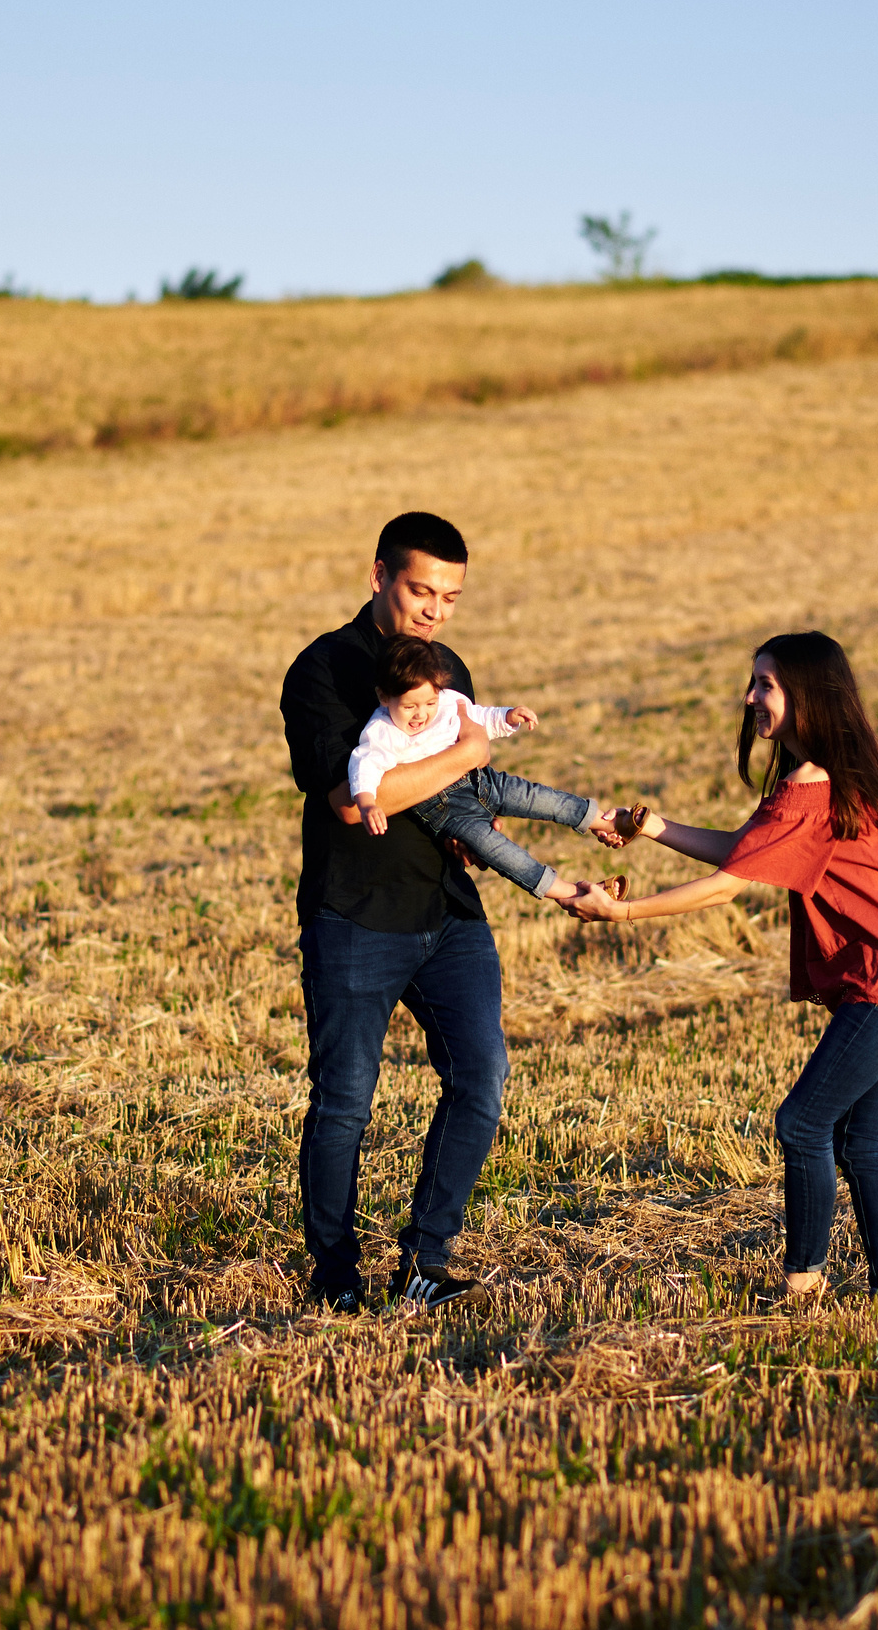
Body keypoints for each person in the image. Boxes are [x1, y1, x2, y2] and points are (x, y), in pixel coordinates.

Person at [562, 632, 878, 1308]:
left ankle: (802, 1285)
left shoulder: (809, 786)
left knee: (803, 1125)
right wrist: (658, 828)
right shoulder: (848, 770)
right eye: (753, 681)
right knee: (860, 1140)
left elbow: (730, 882)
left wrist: (624, 915)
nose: (750, 696)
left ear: (806, 694)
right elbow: (751, 850)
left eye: (766, 684)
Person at [282, 512, 609, 1314]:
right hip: (355, 914)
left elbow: (461, 794)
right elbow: (355, 802)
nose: (435, 610)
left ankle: (425, 1260)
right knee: (345, 1100)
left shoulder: (447, 664)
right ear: (378, 576)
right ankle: (335, 1275)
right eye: (421, 589)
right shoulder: (321, 670)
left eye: (451, 596)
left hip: (450, 913)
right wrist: (466, 756)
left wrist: (504, 836)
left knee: (483, 1078)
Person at [348, 632, 630, 905]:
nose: (421, 714)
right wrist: (367, 803)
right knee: (499, 852)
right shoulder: (381, 731)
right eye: (409, 706)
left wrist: (507, 716)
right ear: (384, 697)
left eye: (429, 702)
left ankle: (606, 823)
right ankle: (570, 893)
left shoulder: (447, 702)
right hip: (449, 811)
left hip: (483, 780)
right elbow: (365, 765)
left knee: (541, 798)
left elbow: (478, 716)